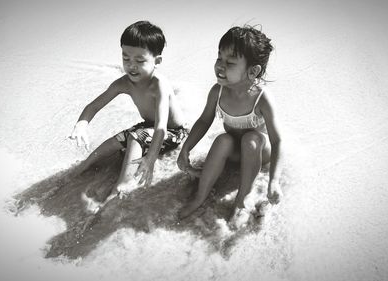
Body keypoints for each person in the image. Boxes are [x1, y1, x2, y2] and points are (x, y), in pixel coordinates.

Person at [69, 21, 187, 213]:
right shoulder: (123, 83)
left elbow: (160, 128)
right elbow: (94, 105)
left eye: (140, 61)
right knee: (116, 140)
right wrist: (82, 124)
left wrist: (150, 158)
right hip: (147, 126)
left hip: (173, 132)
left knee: (135, 137)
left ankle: (120, 187)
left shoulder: (159, 85)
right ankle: (85, 166)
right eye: (126, 58)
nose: (131, 66)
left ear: (157, 61)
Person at [177, 25, 283, 228]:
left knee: (251, 139)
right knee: (222, 139)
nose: (220, 66)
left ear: (252, 71)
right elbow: (204, 120)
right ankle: (200, 196)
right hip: (235, 153)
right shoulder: (217, 91)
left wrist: (274, 181)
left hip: (259, 152)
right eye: (219, 58)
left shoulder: (262, 98)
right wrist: (186, 148)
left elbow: (277, 141)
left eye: (230, 62)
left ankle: (242, 201)